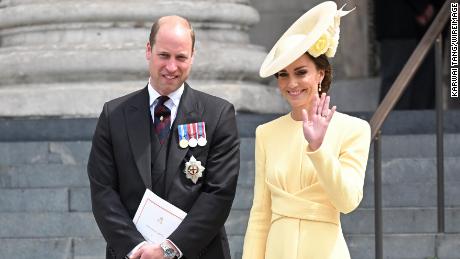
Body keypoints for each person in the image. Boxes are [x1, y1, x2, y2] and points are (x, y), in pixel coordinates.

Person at [87, 15, 240, 259]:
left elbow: (218, 194)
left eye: (181, 57)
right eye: (164, 55)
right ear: (149, 50)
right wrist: (138, 249)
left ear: (192, 56)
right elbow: (103, 191)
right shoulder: (114, 115)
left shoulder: (218, 115)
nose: (171, 67)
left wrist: (169, 250)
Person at [242, 2, 371, 258]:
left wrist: (318, 148)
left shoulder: (354, 129)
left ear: (320, 73)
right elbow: (260, 214)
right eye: (282, 74)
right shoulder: (265, 133)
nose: (291, 83)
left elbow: (347, 202)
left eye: (301, 72)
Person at [375, 0, 443, 109]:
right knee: (397, 89)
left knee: (424, 91)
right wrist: (421, 7)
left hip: (433, 25)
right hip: (400, 21)